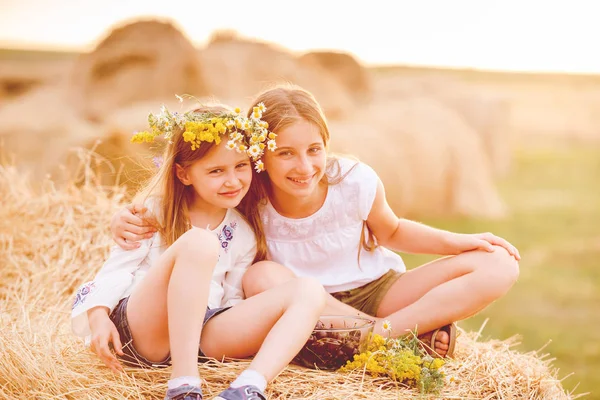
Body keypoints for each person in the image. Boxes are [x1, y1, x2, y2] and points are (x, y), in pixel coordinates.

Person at [111, 85, 520, 359]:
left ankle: (378, 337)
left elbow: (392, 231)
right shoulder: (246, 194)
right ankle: (406, 339)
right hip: (306, 305)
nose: (304, 166)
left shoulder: (356, 179)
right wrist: (124, 217)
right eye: (285, 153)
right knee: (261, 277)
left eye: (314, 149)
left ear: (327, 144)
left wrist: (464, 241)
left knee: (499, 265)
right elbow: (184, 193)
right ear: (260, 157)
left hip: (379, 292)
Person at [71, 103, 327, 400]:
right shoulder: (153, 213)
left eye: (241, 166)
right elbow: (116, 269)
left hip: (202, 333)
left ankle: (249, 387)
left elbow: (232, 300)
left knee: (309, 291)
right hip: (144, 331)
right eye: (216, 170)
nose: (233, 181)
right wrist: (98, 316)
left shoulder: (243, 232)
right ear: (184, 174)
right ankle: (183, 385)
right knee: (201, 243)